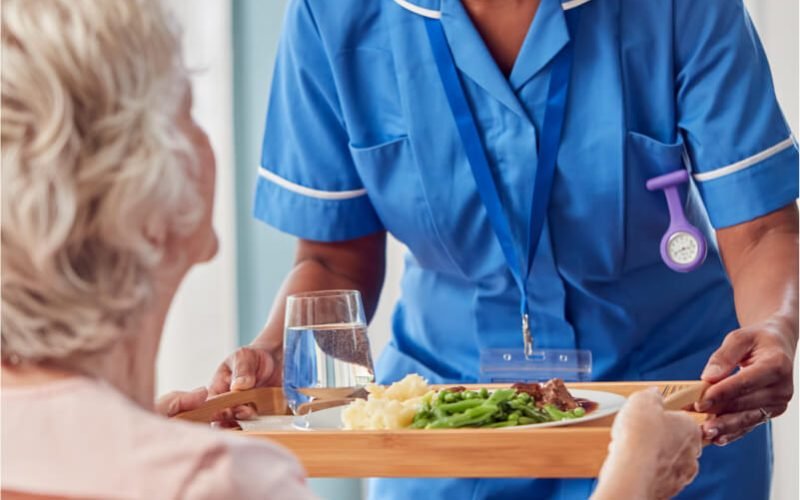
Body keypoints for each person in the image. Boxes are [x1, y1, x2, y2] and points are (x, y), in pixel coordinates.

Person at [212, 0, 799, 499]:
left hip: (671, 412)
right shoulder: (334, 14)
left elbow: (762, 229)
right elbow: (335, 259)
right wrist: (279, 356)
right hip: (438, 420)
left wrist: (774, 328)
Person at [0, 1, 313, 498]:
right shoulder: (225, 482)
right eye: (188, 113)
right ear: (143, 208)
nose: (204, 138)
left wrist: (146, 431)